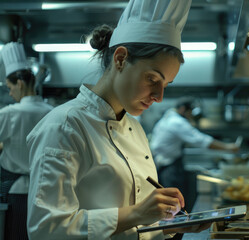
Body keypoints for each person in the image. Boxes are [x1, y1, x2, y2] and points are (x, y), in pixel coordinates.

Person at [26, 1, 210, 239]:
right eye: (153, 78)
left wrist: (169, 226)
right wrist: (137, 214)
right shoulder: (64, 126)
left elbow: (133, 225)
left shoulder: (134, 127)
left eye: (165, 85)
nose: (159, 96)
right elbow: (46, 230)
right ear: (120, 59)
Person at [0, 42, 53, 239]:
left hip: (16, 192)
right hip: (46, 192)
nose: (10, 93)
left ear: (19, 84)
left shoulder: (9, 114)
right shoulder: (52, 112)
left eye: (10, 87)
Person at [150, 96, 240, 198]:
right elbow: (201, 141)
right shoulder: (177, 122)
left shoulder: (168, 118)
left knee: (170, 200)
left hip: (163, 165)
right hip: (169, 168)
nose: (191, 116)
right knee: (173, 201)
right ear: (183, 109)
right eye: (190, 112)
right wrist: (228, 148)